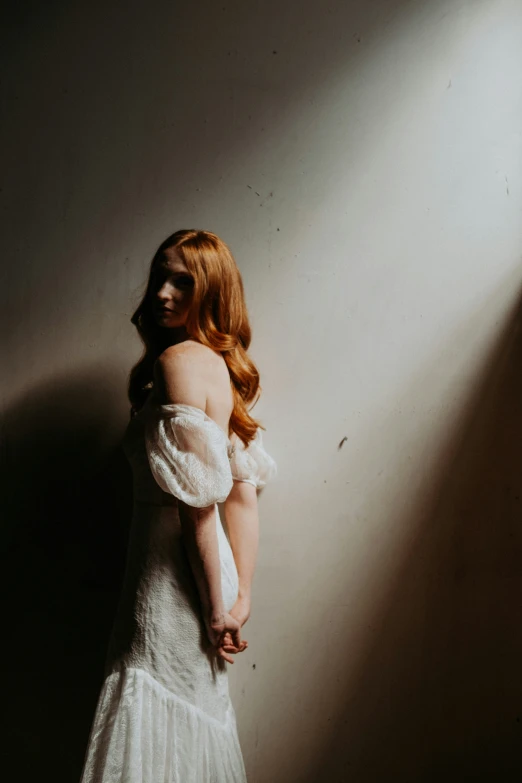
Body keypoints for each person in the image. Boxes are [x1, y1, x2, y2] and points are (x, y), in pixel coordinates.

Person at [80, 229, 277, 782]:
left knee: (154, 707)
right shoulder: (220, 367)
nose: (163, 292)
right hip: (207, 577)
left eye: (182, 282)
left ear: (211, 291)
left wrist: (219, 608)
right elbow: (242, 496)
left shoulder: (178, 363)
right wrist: (240, 598)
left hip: (170, 580)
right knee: (190, 718)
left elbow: (201, 506)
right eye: (159, 276)